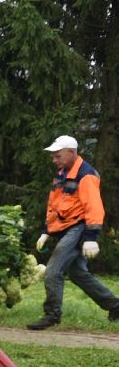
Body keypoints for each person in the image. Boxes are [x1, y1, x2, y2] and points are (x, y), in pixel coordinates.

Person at [29, 134, 119, 330]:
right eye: (53, 156)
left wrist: (91, 238)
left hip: (79, 227)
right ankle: (115, 306)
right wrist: (46, 230)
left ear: (71, 152)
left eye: (58, 156)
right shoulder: (62, 173)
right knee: (78, 274)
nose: (54, 160)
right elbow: (54, 205)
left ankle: (52, 315)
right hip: (67, 228)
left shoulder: (86, 175)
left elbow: (94, 207)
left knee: (53, 271)